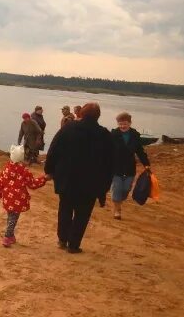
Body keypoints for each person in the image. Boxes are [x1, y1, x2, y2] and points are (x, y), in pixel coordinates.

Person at [44, 103, 113, 254]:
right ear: (98, 116)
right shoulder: (104, 135)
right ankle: (73, 245)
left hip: (67, 178)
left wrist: (49, 170)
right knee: (82, 214)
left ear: (81, 113)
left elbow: (53, 149)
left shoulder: (68, 128)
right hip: (90, 183)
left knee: (65, 209)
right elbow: (109, 163)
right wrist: (105, 187)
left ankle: (62, 239)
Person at [0, 145, 48, 247]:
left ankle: (11, 236)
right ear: (21, 158)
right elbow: (33, 184)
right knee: (13, 218)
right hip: (18, 199)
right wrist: (44, 179)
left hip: (7, 198)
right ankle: (7, 237)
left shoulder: (6, 169)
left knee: (10, 217)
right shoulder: (24, 171)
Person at [110, 112, 151, 220]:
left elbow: (140, 151)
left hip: (129, 167)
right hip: (115, 167)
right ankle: (117, 210)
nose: (122, 126)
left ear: (130, 123)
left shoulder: (135, 135)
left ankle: (119, 201)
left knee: (126, 190)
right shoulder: (113, 135)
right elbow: (106, 150)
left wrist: (146, 164)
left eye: (125, 124)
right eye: (120, 124)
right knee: (117, 189)